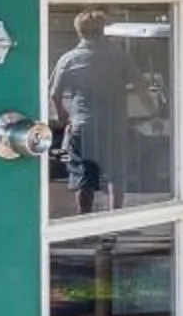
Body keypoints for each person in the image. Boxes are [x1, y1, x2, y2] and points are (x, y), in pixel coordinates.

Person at [46, 11, 129, 214]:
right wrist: (154, 109)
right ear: (102, 30)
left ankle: (85, 221)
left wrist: (64, 117)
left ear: (79, 32)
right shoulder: (118, 56)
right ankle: (114, 220)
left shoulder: (69, 59)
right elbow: (141, 85)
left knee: (84, 176)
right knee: (116, 175)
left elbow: (54, 94)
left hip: (83, 124)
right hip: (114, 124)